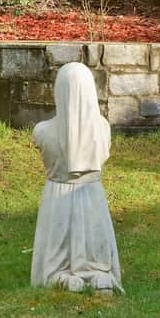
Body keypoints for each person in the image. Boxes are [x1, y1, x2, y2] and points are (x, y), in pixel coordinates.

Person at [31, 62, 123, 293]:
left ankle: (62, 275)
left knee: (57, 251)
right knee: (94, 245)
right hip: (92, 196)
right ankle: (99, 274)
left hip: (57, 198)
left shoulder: (42, 131)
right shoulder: (102, 128)